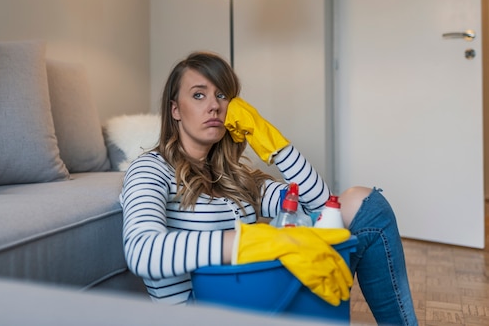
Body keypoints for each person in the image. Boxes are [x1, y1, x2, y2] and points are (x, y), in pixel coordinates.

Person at [120, 51, 417, 325]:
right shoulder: (151, 169)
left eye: (222, 96)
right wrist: (248, 243)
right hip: (205, 312)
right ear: (175, 110)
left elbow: (322, 205)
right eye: (199, 95)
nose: (214, 106)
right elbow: (142, 251)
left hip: (257, 298)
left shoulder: (235, 177)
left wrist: (272, 142)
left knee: (363, 202)